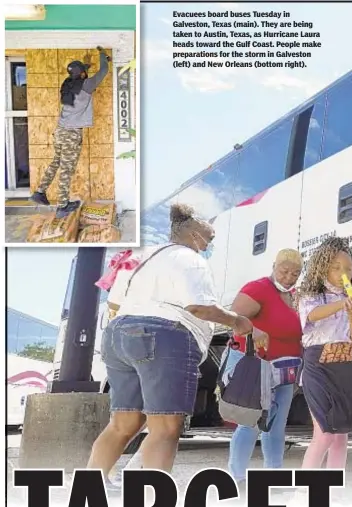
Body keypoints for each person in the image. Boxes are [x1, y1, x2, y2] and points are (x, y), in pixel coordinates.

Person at [87, 203, 253, 478]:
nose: (208, 246)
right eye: (208, 239)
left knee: (123, 424)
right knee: (165, 428)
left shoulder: (141, 255)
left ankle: (87, 488)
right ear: (193, 234)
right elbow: (198, 307)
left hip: (119, 335)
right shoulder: (191, 259)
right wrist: (237, 321)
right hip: (165, 336)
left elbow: (115, 302)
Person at [221, 248, 304, 489]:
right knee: (251, 421)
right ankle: (236, 477)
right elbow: (233, 318)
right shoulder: (258, 288)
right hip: (257, 366)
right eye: (284, 271)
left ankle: (274, 474)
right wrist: (254, 330)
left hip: (286, 368)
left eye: (295, 273)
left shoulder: (295, 296)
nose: (289, 277)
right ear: (274, 266)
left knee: (276, 425)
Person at [296, 237, 352, 471]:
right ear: (322, 268)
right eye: (336, 268)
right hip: (318, 367)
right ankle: (304, 493)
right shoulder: (310, 294)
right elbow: (312, 315)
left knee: (341, 436)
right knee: (324, 434)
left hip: (344, 367)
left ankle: (334, 491)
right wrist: (344, 303)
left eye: (349, 268)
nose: (344, 273)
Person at [30, 46, 110, 218]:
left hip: (60, 131)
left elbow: (79, 76)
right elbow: (104, 71)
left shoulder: (67, 83)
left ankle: (40, 192)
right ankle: (62, 205)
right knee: (66, 168)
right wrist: (104, 56)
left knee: (56, 162)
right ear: (82, 74)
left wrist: (85, 67)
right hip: (71, 134)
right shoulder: (87, 85)